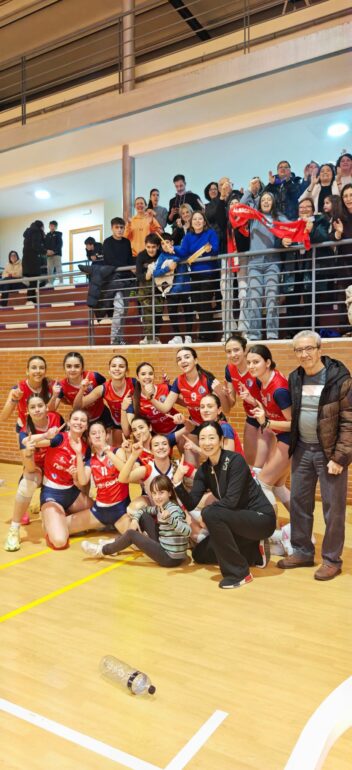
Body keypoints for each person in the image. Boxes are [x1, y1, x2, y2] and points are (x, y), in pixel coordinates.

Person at [277, 331, 352, 580]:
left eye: (309, 348)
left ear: (319, 349)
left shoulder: (339, 377)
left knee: (333, 509)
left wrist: (340, 458)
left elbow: (349, 422)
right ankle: (302, 551)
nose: (304, 354)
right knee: (299, 503)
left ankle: (332, 559)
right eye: (299, 350)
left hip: (328, 453)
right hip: (302, 450)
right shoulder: (295, 378)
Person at [173, 421, 276, 588]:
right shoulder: (204, 470)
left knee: (210, 513)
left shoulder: (235, 461)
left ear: (221, 440)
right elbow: (191, 504)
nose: (207, 442)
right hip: (237, 521)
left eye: (211, 438)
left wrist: (207, 513)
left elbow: (231, 501)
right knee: (200, 554)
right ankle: (254, 551)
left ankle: (239, 573)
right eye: (203, 438)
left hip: (261, 519)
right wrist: (177, 484)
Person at [81, 473, 191, 567]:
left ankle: (101, 551)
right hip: (168, 549)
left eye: (161, 492)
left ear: (170, 493)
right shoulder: (161, 507)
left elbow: (187, 531)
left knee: (131, 534)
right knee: (144, 516)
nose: (157, 497)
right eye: (154, 493)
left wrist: (171, 520)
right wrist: (134, 520)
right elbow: (143, 510)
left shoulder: (173, 510)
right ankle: (115, 543)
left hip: (171, 558)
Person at [4, 394, 64, 551]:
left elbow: (63, 440)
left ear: (46, 407)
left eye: (40, 406)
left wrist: (45, 440)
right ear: (27, 411)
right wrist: (44, 439)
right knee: (27, 484)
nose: (37, 410)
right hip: (37, 466)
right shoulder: (25, 429)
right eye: (32, 407)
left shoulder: (57, 418)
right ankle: (14, 529)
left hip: (57, 465)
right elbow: (28, 459)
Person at [246, 345, 292, 513]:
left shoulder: (279, 389)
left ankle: (271, 531)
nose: (251, 366)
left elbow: (295, 424)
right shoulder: (263, 381)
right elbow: (272, 409)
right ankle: (303, 530)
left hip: (290, 440)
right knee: (278, 486)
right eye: (249, 362)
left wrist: (266, 423)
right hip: (282, 438)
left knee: (263, 484)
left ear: (268, 362)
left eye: (256, 362)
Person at [39, 409, 93, 549]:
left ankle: (58, 520)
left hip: (71, 493)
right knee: (60, 542)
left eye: (83, 420)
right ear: (69, 422)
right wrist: (46, 435)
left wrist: (75, 475)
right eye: (75, 419)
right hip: (52, 493)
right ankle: (50, 522)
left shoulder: (85, 448)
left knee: (102, 512)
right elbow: (32, 443)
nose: (79, 422)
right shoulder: (59, 438)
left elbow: (82, 481)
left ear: (86, 426)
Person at [164, 211, 220, 341]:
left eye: (200, 219)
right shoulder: (188, 236)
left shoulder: (210, 233)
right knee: (198, 304)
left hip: (208, 273)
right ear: (191, 222)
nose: (197, 221)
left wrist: (210, 249)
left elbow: (216, 249)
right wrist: (173, 248)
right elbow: (183, 251)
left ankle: (207, 336)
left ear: (204, 221)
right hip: (194, 275)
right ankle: (205, 333)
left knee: (205, 304)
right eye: (195, 219)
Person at [70, 421, 133, 535]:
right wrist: (79, 454)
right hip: (99, 511)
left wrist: (107, 451)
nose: (97, 435)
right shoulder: (91, 460)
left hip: (120, 510)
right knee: (62, 526)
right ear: (89, 438)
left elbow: (125, 471)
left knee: (135, 539)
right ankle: (105, 525)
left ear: (106, 435)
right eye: (93, 433)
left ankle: (108, 543)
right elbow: (83, 481)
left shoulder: (117, 451)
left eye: (100, 432)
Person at [244, 191, 291, 340]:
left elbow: (292, 229)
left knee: (272, 298)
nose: (265, 202)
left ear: (273, 202)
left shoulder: (279, 218)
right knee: (254, 299)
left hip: (273, 263)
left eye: (268, 199)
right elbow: (241, 206)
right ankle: (254, 334)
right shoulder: (253, 217)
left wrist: (287, 239)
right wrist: (249, 191)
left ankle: (272, 334)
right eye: (262, 199)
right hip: (254, 264)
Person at [223, 334, 274, 468]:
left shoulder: (256, 369)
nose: (233, 354)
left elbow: (271, 399)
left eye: (236, 350)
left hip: (268, 417)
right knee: (250, 462)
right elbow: (232, 402)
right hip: (251, 416)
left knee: (264, 466)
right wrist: (224, 395)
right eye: (229, 351)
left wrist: (253, 400)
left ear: (245, 350)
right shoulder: (229, 370)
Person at [74, 354, 135, 446]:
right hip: (118, 423)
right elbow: (78, 406)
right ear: (109, 370)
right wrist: (82, 390)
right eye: (113, 366)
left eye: (121, 366)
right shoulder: (103, 388)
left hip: (134, 421)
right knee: (117, 449)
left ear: (126, 370)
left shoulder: (134, 383)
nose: (117, 369)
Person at [121, 361, 182, 445]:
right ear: (137, 378)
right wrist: (123, 409)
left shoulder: (165, 388)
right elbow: (131, 427)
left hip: (177, 428)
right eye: (143, 374)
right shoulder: (133, 399)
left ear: (154, 376)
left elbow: (186, 403)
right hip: (156, 435)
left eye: (150, 374)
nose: (147, 377)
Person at [49, 351, 110, 425]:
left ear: (82, 368)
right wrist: (54, 396)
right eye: (68, 366)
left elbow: (108, 390)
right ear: (64, 368)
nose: (72, 370)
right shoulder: (62, 385)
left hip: (102, 415)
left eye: (77, 366)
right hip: (82, 421)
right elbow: (52, 410)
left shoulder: (95, 376)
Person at [153, 232, 193, 345]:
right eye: (162, 244)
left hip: (185, 287)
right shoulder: (162, 256)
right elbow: (155, 272)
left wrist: (175, 252)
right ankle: (177, 336)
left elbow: (186, 255)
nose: (165, 246)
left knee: (188, 312)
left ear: (172, 242)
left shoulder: (179, 250)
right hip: (171, 289)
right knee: (172, 313)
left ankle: (188, 336)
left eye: (167, 243)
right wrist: (167, 268)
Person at [102, 217, 135, 345]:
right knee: (119, 309)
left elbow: (129, 259)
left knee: (124, 311)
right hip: (114, 280)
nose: (120, 230)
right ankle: (114, 340)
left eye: (122, 227)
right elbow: (110, 261)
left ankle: (119, 339)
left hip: (127, 280)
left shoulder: (126, 242)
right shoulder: (107, 242)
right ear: (112, 228)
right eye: (117, 227)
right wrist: (128, 267)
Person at [0, 354, 52, 431]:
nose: (38, 371)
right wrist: (14, 400)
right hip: (24, 430)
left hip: (45, 429)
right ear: (27, 371)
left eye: (41, 368)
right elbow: (3, 417)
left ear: (45, 371)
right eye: (34, 368)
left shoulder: (51, 387)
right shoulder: (18, 389)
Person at [136, 233, 163, 344]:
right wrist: (145, 276)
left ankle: (155, 336)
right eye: (148, 247)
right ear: (145, 246)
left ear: (157, 246)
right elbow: (138, 274)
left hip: (159, 288)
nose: (151, 250)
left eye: (153, 247)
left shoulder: (162, 254)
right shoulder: (141, 256)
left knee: (158, 314)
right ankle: (148, 337)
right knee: (147, 314)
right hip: (145, 289)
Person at [333, 183, 352, 330]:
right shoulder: (339, 216)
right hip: (345, 264)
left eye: (351, 195)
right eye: (345, 196)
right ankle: (345, 329)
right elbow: (332, 238)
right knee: (343, 297)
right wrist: (338, 233)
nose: (348, 198)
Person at [22, 220, 46, 304]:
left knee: (31, 282)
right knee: (33, 282)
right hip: (33, 261)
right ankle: (30, 300)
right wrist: (45, 251)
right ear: (40, 226)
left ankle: (31, 300)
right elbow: (36, 246)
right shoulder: (36, 232)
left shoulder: (28, 232)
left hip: (26, 261)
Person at [44, 220, 63, 285]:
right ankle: (50, 283)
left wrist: (54, 251)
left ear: (56, 227)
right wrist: (47, 252)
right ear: (49, 226)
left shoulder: (58, 234)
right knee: (49, 269)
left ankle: (61, 282)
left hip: (57, 254)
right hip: (49, 255)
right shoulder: (47, 235)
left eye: (54, 226)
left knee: (58, 268)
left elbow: (60, 244)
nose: (52, 227)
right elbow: (45, 245)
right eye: (51, 225)